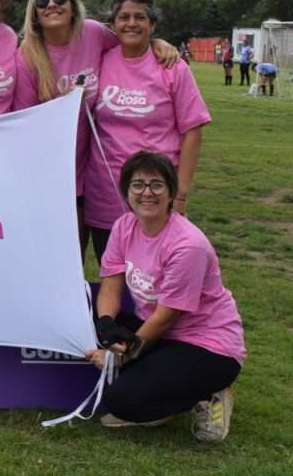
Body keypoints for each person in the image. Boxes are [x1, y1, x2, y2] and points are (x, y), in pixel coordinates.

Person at [12, 0, 179, 255]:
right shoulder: (28, 55)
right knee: (59, 259)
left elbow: (131, 38)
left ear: (74, 5)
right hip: (49, 175)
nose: (52, 5)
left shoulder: (93, 34)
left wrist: (158, 43)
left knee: (99, 256)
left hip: (87, 173)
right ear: (35, 12)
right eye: (43, 1)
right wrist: (61, 109)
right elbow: (24, 126)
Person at [85, 151, 244, 442]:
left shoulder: (188, 245)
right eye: (138, 185)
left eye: (156, 185)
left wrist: (120, 356)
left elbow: (165, 317)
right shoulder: (124, 226)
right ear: (126, 192)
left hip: (205, 346)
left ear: (171, 192)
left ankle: (208, 395)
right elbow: (110, 284)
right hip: (161, 335)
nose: (147, 193)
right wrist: (106, 323)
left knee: (122, 402)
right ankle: (158, 381)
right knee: (84, 309)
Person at [83, 0, 210, 260]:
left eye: (140, 17)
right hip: (106, 194)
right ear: (113, 25)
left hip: (155, 196)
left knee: (152, 284)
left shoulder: (172, 67)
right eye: (124, 17)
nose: (131, 23)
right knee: (113, 278)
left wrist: (181, 195)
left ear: (152, 25)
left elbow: (193, 131)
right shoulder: (100, 60)